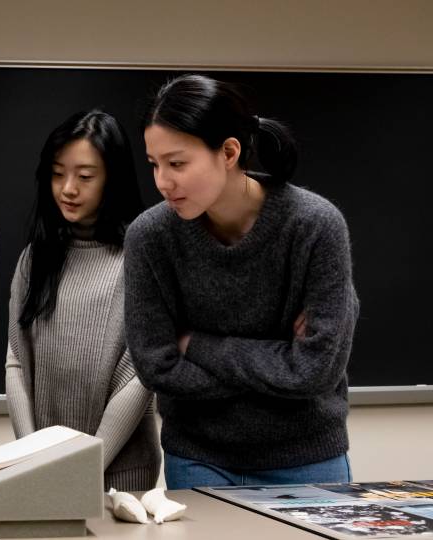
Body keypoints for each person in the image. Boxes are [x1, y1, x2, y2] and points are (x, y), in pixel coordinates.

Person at [124, 74, 359, 489]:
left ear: (229, 151)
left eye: (177, 163)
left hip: (308, 455)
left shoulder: (316, 226)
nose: (162, 182)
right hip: (199, 457)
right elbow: (155, 367)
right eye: (155, 164)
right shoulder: (150, 236)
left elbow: (316, 371)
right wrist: (281, 361)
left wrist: (196, 345)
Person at [5, 110, 160, 491]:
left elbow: (140, 376)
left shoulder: (140, 257)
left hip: (120, 474)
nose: (68, 188)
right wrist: (31, 456)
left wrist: (84, 467)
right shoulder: (35, 258)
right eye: (58, 174)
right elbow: (16, 363)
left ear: (113, 178)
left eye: (85, 176)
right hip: (42, 470)